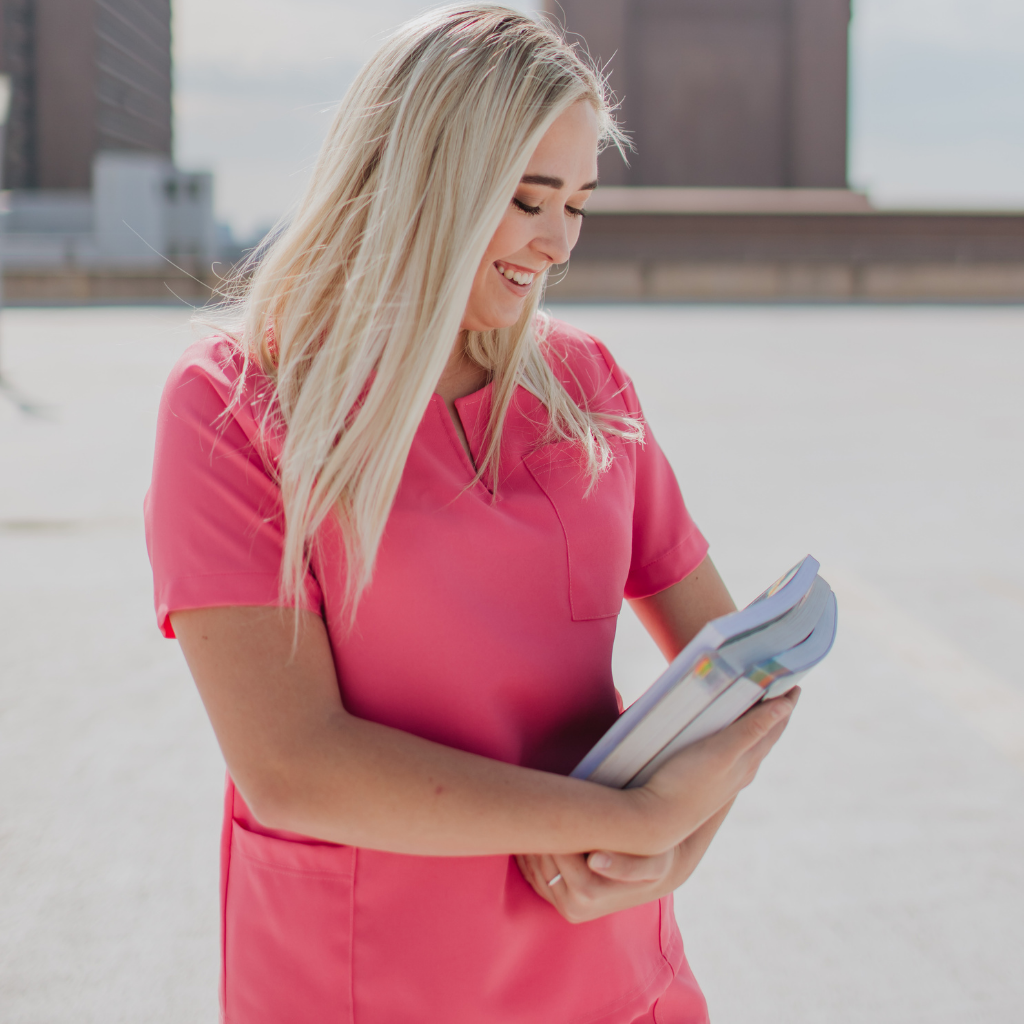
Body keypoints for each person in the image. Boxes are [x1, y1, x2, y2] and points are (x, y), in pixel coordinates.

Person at [145, 6, 799, 1022]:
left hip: (615, 976)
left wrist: (672, 846)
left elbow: (736, 670)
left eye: (578, 203)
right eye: (530, 198)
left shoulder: (587, 385)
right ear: (420, 178)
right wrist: (623, 816)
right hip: (369, 978)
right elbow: (290, 764)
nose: (558, 242)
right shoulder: (238, 406)